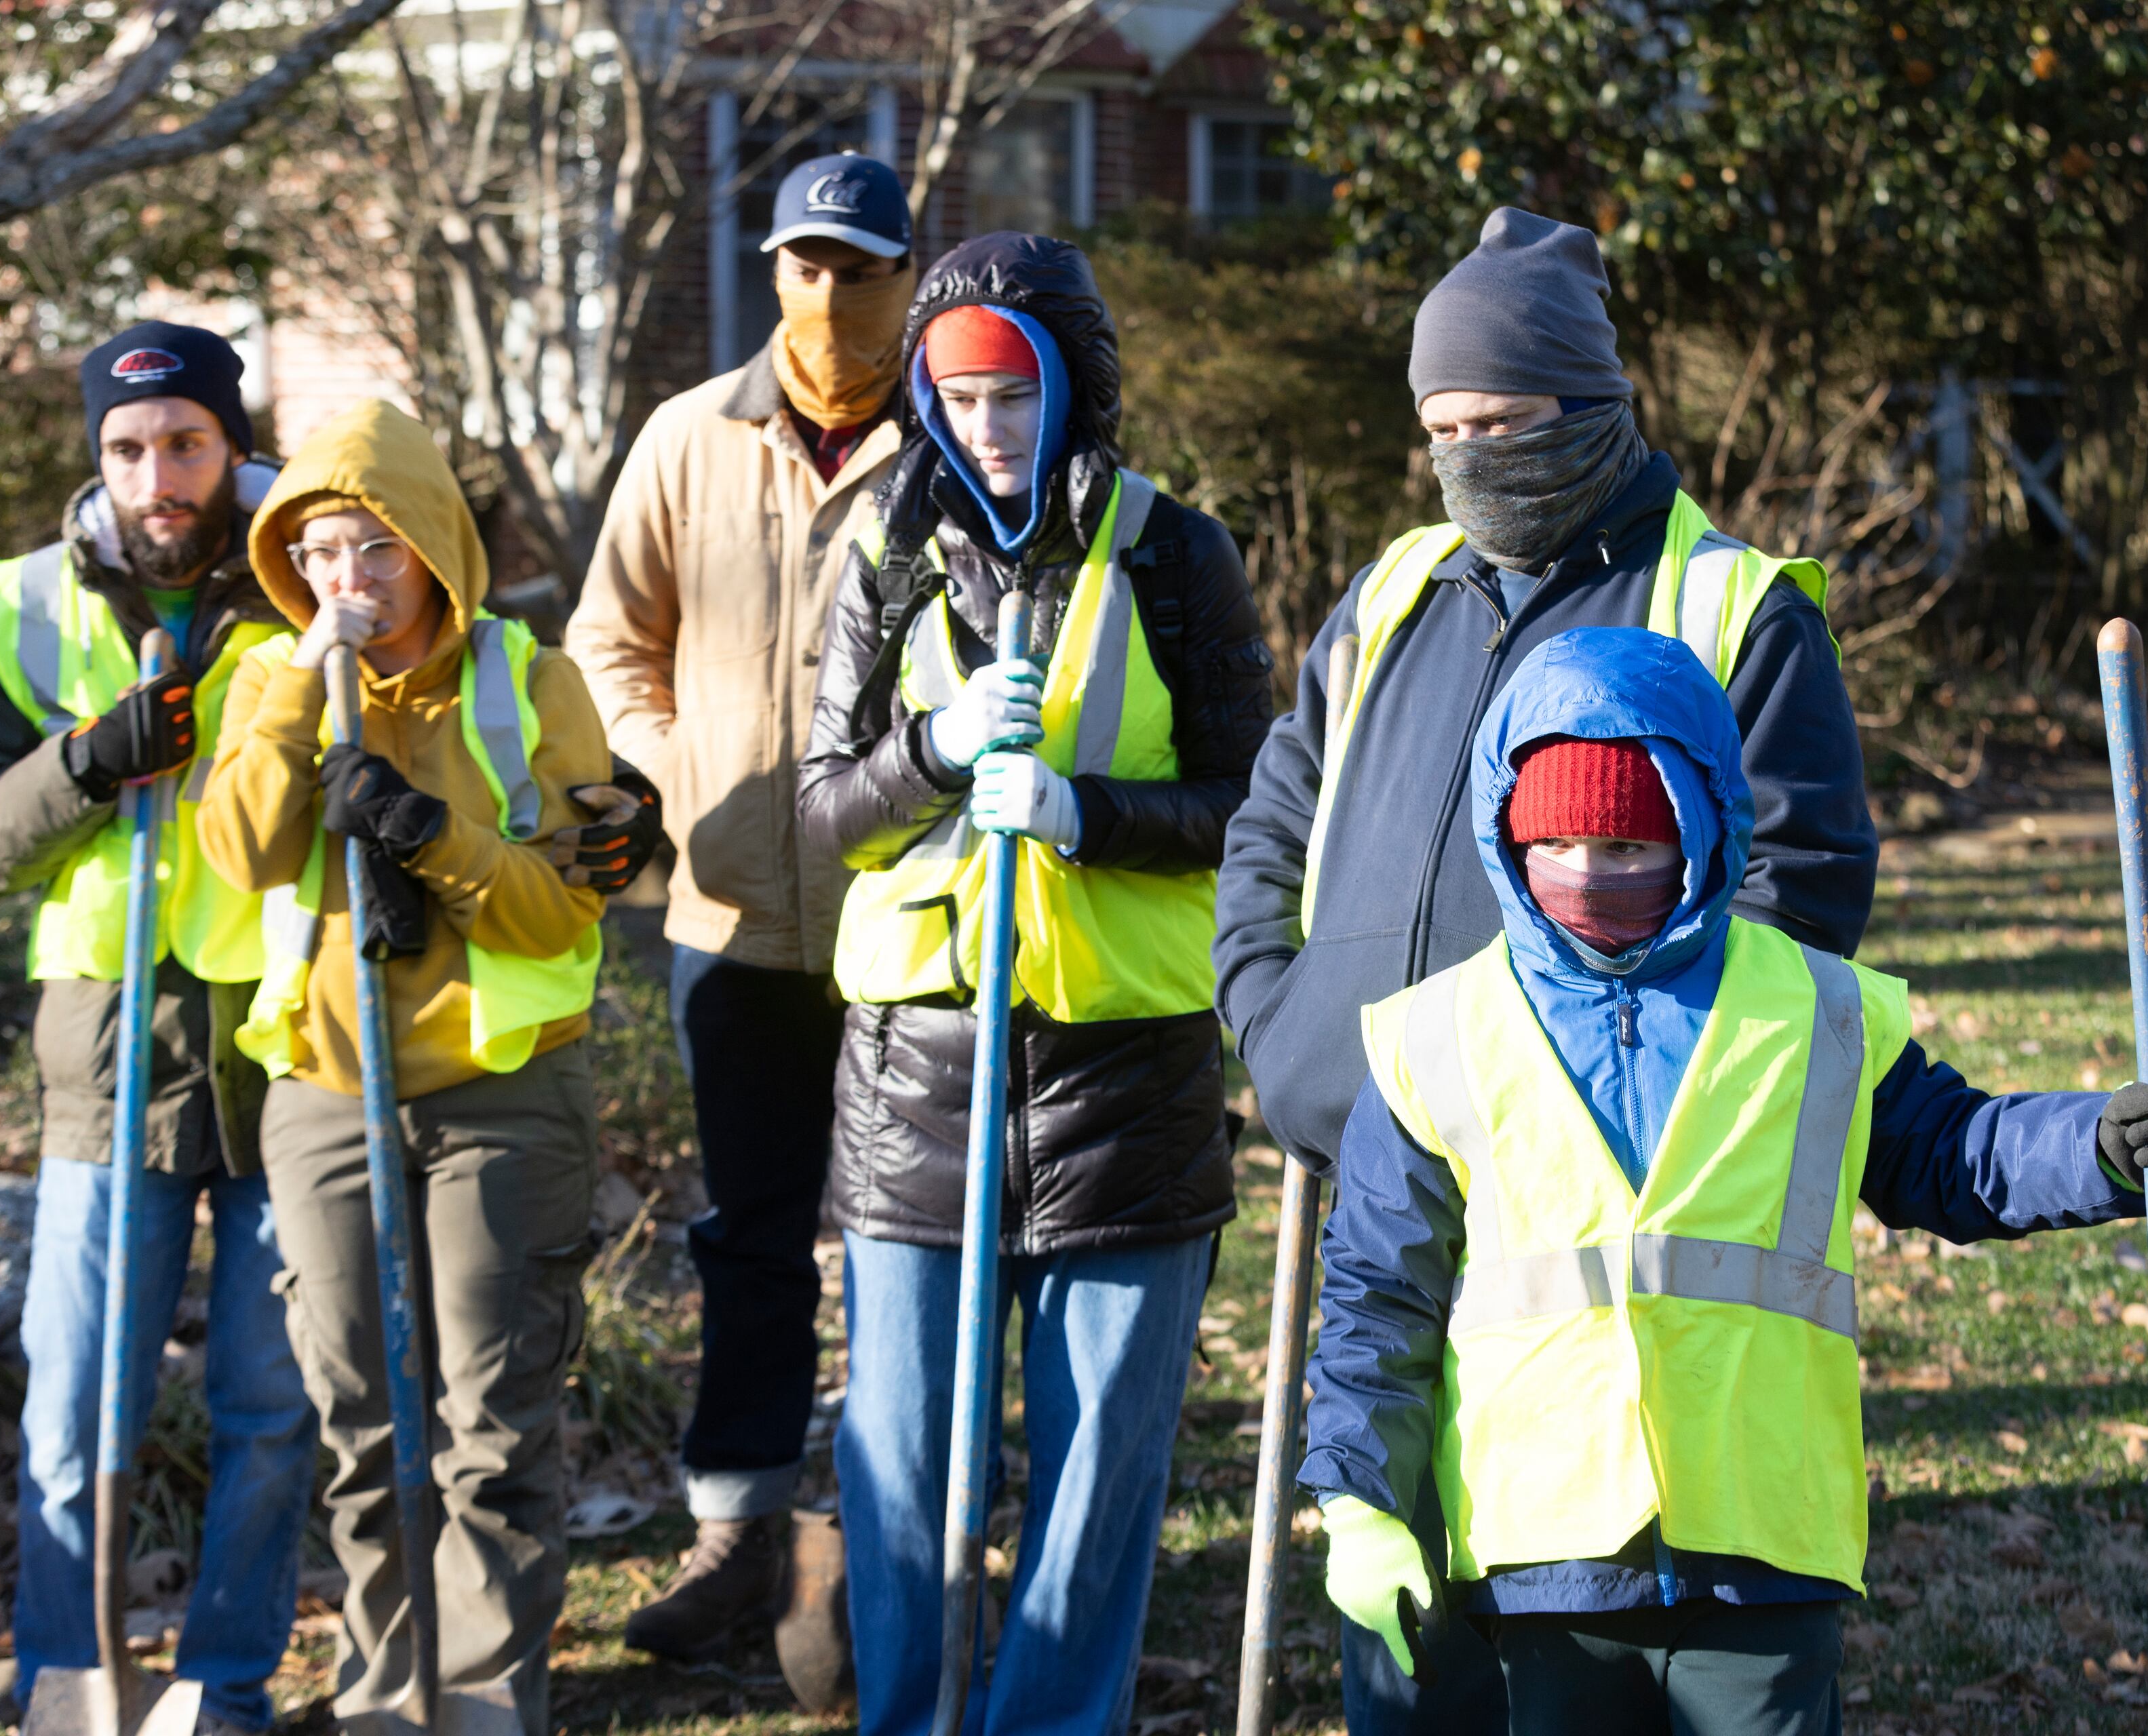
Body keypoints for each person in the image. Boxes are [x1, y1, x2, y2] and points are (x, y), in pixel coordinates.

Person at [1305, 625, 2148, 1736]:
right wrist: (1359, 1505)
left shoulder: (1815, 1011)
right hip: (1541, 1559)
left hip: (1764, 1547)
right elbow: (1376, 1301)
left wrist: (2099, 1147)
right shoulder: (1438, 1036)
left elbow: (1953, 1153)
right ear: (1507, 839)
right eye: (1561, 847)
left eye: (1634, 848)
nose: (1594, 878)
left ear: (1705, 833)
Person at [1211, 208, 1881, 1727]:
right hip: (1378, 1158)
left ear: (1591, 408)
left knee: (1551, 1608)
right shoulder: (1394, 590)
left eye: (1498, 424)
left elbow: (1800, 879)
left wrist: (1631, 1070)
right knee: (1405, 1616)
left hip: (1588, 1198)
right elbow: (1274, 813)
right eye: (1440, 429)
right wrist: (1275, 1012)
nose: (1466, 459)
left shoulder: (1725, 605)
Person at [796, 231, 1276, 1735]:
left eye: (1017, 393)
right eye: (959, 397)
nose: (990, 427)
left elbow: (1262, 809)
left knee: (1097, 1481)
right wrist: (928, 752)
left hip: (1127, 1081)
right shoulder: (881, 545)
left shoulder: (1173, 552)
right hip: (921, 1082)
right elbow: (817, 810)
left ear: (1075, 385)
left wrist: (1089, 812)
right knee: (902, 1468)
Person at [195, 399, 609, 1736]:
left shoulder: (527, 679)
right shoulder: (271, 676)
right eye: (318, 553)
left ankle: (484, 1696)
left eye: (374, 550)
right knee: (364, 1429)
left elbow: (566, 907)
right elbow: (242, 852)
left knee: (490, 1427)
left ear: (432, 547)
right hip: (327, 1095)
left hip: (501, 1093)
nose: (349, 582)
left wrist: (435, 835)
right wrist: (304, 700)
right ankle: (388, 1690)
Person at [0, 320, 315, 1735]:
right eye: (131, 447)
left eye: (188, 443)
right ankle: (65, 1683)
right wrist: (88, 761)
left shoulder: (313, 564)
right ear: (99, 453)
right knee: (79, 1411)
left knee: (272, 1410)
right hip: (107, 1060)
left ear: (231, 439)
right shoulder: (23, 600)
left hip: (287, 1045)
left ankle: (225, 1687)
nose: (161, 473)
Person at [564, 151, 915, 1665]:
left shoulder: (958, 441)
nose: (828, 295)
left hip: (912, 917)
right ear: (773, 271)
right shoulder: (686, 435)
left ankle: (895, 1536)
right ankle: (738, 1531)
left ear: (910, 274)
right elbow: (606, 637)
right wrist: (669, 765)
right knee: (753, 1234)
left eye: (859, 267)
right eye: (803, 265)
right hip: (726, 913)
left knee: (909, 1236)